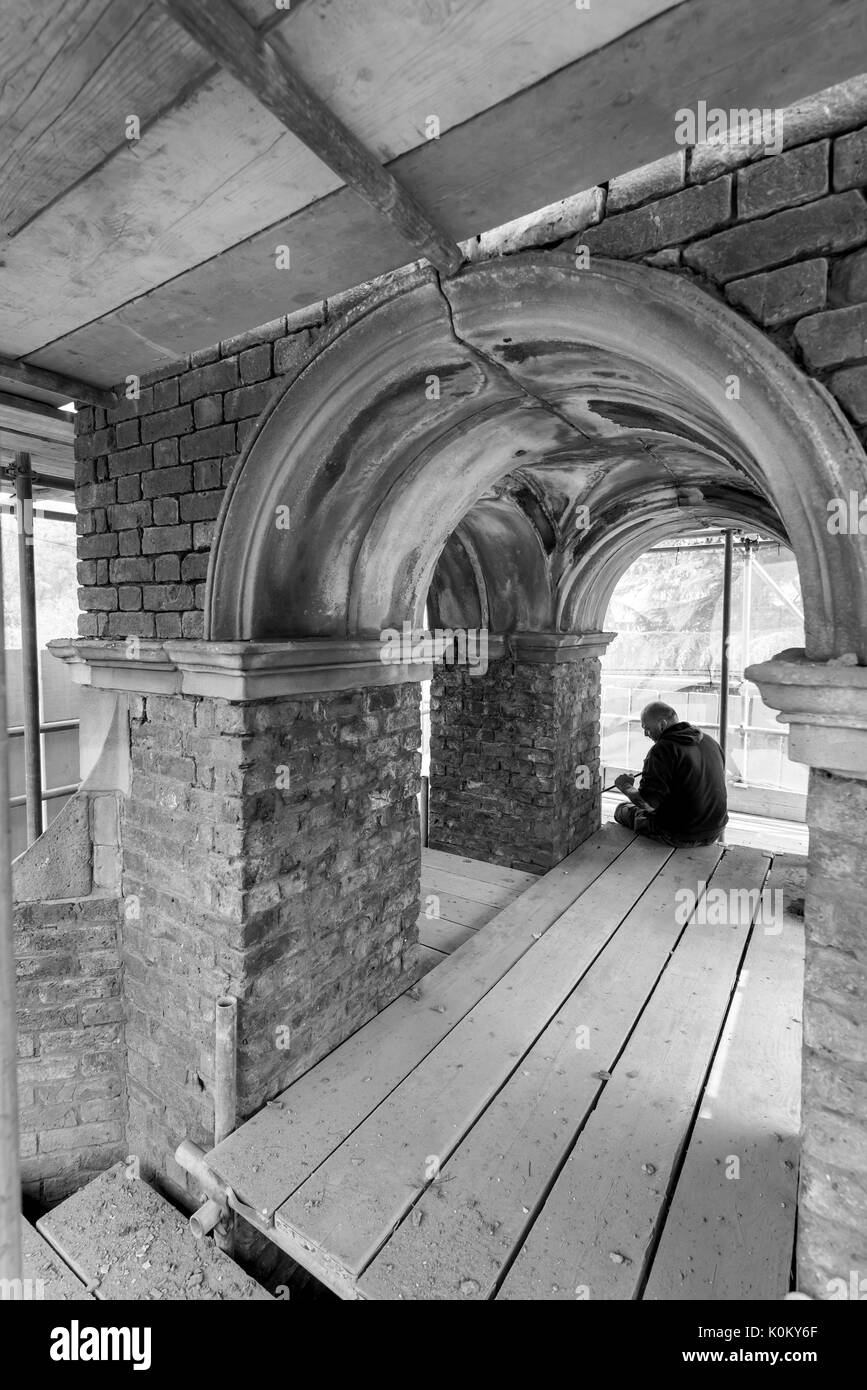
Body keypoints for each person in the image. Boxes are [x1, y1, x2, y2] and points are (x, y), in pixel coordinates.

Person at [612, 701, 727, 847]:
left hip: (679, 835)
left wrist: (626, 786)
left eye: (647, 728)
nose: (645, 734)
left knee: (622, 809)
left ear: (662, 724)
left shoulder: (662, 750)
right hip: (714, 830)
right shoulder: (710, 741)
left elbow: (648, 805)